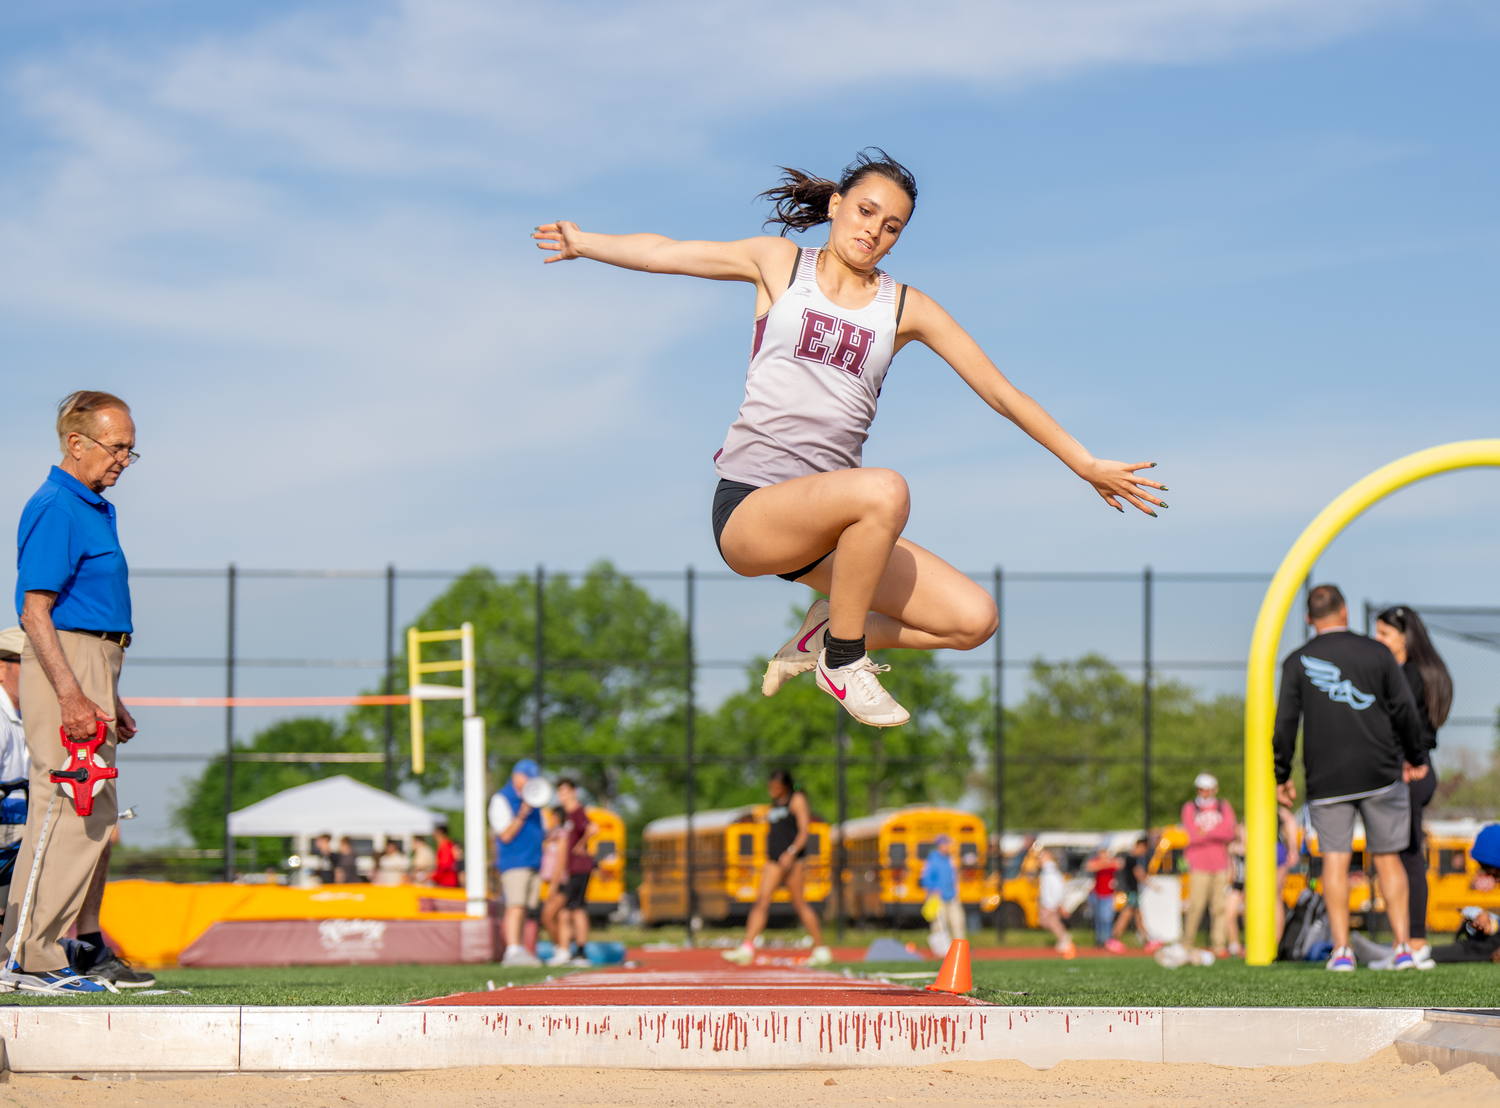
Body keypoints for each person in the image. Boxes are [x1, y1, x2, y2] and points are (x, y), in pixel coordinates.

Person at [533, 151, 1166, 729]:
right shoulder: (780, 265)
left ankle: (828, 632)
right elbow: (667, 249)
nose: (874, 230)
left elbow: (1001, 393)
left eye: (892, 226)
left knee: (973, 621)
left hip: (837, 532)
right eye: (866, 211)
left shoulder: (904, 307)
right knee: (884, 491)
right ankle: (844, 659)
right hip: (755, 509)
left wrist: (1085, 463)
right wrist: (585, 243)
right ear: (836, 205)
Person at [2, 392, 140, 994]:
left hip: (94, 663)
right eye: (116, 448)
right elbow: (36, 613)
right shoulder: (57, 504)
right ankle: (28, 957)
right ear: (75, 443)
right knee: (64, 805)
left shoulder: (93, 506)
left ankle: (45, 949)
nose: (124, 461)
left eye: (132, 451)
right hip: (68, 657)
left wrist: (106, 695)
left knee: (93, 811)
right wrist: (72, 695)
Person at [1273, 584, 1426, 972]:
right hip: (1380, 773)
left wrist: (1281, 773)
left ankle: (1341, 951)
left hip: (1327, 779)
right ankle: (1404, 948)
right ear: (1344, 612)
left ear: (1309, 620)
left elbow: (1285, 724)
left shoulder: (1297, 661)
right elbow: (1404, 708)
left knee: (1335, 862)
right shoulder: (1376, 652)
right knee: (1388, 860)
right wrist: (1415, 755)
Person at [1373, 605, 1452, 966]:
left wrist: (1412, 759)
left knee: (1404, 857)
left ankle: (1414, 942)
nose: (1379, 640)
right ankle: (1407, 942)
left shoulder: (1408, 673)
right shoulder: (1428, 671)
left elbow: (1412, 725)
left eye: (1385, 633)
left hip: (1411, 772)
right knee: (1404, 856)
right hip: (1416, 769)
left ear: (1404, 636)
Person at [724, 770, 832, 966]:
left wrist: (791, 853)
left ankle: (821, 948)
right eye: (770, 787)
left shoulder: (796, 799)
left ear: (785, 786)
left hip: (792, 860)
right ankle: (747, 947)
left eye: (776, 787)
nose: (772, 790)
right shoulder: (775, 804)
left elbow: (804, 831)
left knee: (799, 903)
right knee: (762, 900)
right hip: (774, 860)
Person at [489, 758, 546, 967]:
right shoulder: (502, 799)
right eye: (527, 777)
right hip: (514, 862)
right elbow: (504, 835)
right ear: (516, 776)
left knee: (527, 909)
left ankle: (522, 949)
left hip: (533, 862)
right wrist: (522, 814)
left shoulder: (535, 802)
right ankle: (512, 951)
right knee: (516, 906)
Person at [540, 779, 598, 967]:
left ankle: (581, 953)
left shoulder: (577, 811)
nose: (562, 795)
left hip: (579, 867)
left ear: (573, 792)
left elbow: (592, 828)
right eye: (559, 791)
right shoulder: (567, 816)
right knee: (566, 910)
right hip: (570, 870)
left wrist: (580, 846)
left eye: (565, 791)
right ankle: (565, 951)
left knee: (577, 908)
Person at [1181, 773, 1236, 958]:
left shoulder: (1223, 806)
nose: (1203, 793)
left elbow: (1229, 832)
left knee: (1219, 906)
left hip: (1220, 864)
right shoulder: (1190, 808)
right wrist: (1215, 832)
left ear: (1214, 789)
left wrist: (1206, 832)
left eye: (1206, 789)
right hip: (1198, 865)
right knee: (1196, 905)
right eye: (1200, 789)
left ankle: (1219, 945)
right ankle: (1187, 943)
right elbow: (1192, 835)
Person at [918, 834, 965, 956]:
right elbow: (925, 879)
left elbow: (954, 877)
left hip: (952, 896)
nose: (948, 847)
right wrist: (933, 889)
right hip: (937, 898)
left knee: (958, 922)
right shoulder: (932, 859)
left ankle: (960, 950)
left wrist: (956, 891)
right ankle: (941, 951)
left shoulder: (951, 859)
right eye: (946, 844)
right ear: (940, 845)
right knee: (939, 926)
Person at [1108, 837, 1149, 952]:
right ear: (1140, 846)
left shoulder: (1127, 858)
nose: (1144, 852)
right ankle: (1114, 939)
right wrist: (1151, 883)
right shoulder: (1131, 858)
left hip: (1130, 891)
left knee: (1138, 916)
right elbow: (1138, 873)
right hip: (1130, 891)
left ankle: (1146, 940)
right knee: (1126, 914)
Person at [1037, 849, 1074, 959]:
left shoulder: (1050, 871)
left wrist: (1058, 902)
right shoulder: (1046, 870)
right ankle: (1063, 937)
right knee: (1051, 921)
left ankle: (1064, 938)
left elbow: (1056, 888)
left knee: (1048, 920)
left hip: (1051, 902)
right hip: (1049, 901)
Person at [1084, 845, 1118, 951]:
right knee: (1098, 918)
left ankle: (1107, 940)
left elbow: (1117, 864)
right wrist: (1103, 864)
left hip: (1108, 894)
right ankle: (1099, 941)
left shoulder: (1111, 862)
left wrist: (1103, 864)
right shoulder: (1098, 862)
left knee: (1106, 918)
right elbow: (1089, 866)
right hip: (1097, 893)